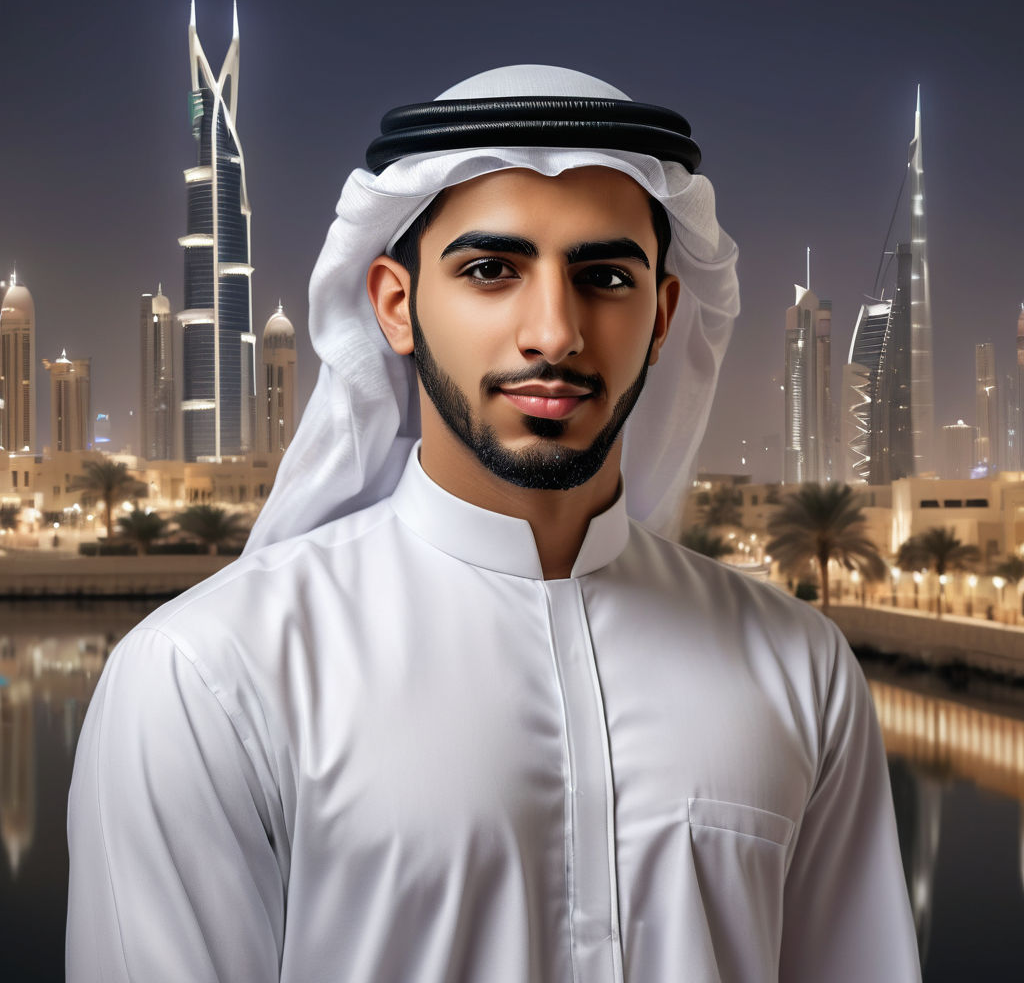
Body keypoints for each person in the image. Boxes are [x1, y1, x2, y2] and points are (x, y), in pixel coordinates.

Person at [66, 65, 921, 982]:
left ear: (663, 316)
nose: (553, 332)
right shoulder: (209, 679)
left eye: (604, 277)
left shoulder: (798, 668)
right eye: (490, 271)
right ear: (396, 306)